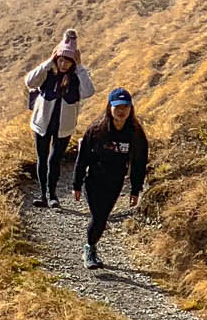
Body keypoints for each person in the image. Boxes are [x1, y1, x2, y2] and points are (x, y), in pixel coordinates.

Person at [72, 87, 149, 269]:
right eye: (117, 107)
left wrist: (135, 189)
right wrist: (76, 183)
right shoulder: (97, 130)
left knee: (102, 217)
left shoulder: (136, 134)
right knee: (98, 217)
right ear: (110, 107)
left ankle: (92, 245)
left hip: (115, 182)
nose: (121, 111)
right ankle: (89, 250)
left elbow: (139, 163)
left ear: (131, 109)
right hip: (93, 179)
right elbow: (82, 158)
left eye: (125, 107)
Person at [23, 29, 94, 207]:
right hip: (42, 123)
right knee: (42, 157)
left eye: (67, 61)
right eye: (61, 60)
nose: (63, 64)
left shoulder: (77, 77)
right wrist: (48, 62)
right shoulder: (49, 73)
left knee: (55, 159)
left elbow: (88, 92)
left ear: (73, 62)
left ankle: (53, 195)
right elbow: (30, 81)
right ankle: (44, 195)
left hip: (64, 126)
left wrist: (80, 67)